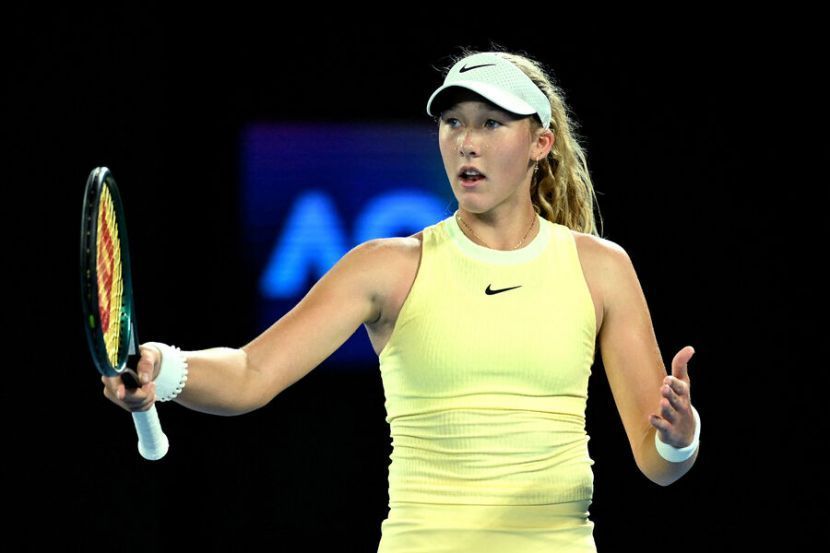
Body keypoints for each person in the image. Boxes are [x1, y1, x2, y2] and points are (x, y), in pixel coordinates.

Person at [102, 47, 701, 552]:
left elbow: (658, 463)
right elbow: (250, 374)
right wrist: (163, 367)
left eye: (491, 123)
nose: (467, 143)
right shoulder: (386, 267)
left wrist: (681, 437)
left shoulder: (602, 269)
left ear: (540, 143)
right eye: (454, 123)